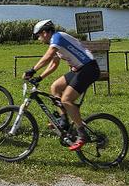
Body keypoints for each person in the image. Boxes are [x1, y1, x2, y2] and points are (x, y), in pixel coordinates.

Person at [24, 20, 100, 152]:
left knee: (66, 99)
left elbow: (47, 57)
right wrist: (40, 77)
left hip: (89, 69)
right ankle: (64, 120)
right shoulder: (57, 44)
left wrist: (32, 70)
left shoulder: (57, 37)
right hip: (79, 70)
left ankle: (82, 134)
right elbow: (53, 64)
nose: (38, 39)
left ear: (45, 32)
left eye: (38, 36)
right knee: (55, 87)